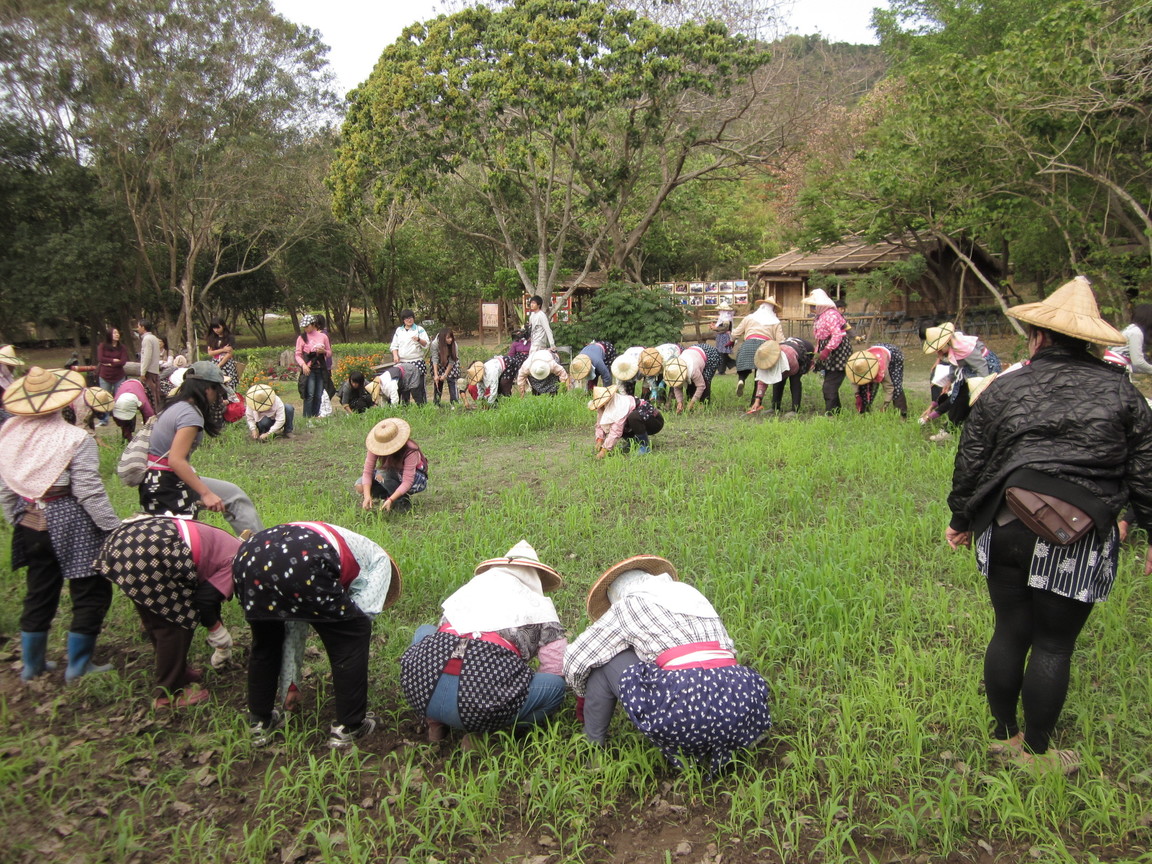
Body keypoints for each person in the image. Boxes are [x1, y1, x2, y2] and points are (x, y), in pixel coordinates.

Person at [945, 276, 1152, 775]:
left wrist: (960, 517)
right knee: (1054, 643)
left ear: (1038, 335)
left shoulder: (1006, 385)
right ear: (1091, 341)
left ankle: (1003, 735)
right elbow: (1144, 470)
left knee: (1009, 630)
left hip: (1006, 519)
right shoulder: (1122, 394)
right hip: (1078, 532)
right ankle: (1038, 753)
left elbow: (971, 458)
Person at [563, 555, 772, 776]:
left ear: (618, 595)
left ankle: (592, 749)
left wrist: (581, 692)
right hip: (741, 694)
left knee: (603, 659)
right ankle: (737, 736)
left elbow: (576, 660)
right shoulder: (691, 594)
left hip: (685, 704)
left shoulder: (628, 604)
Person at [0, 367, 121, 682]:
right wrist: (112, 528)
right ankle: (79, 665)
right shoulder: (74, 438)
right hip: (70, 520)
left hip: (29, 519)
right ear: (61, 401)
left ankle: (32, 665)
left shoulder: (9, 434)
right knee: (90, 589)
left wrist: (18, 518)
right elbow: (88, 492)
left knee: (39, 590)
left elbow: (6, 489)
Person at [233, 521, 401, 748]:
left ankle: (259, 722)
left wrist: (291, 684)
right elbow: (363, 612)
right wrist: (347, 633)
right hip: (306, 558)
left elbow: (294, 617)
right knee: (353, 633)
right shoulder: (379, 561)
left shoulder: (343, 539)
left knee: (266, 640)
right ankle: (349, 726)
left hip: (249, 557)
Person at [400, 540, 567, 742]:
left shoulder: (468, 590)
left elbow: (441, 633)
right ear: (536, 578)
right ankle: (486, 731)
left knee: (425, 632)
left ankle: (434, 722)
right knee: (555, 687)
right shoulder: (541, 608)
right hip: (481, 696)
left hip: (420, 691)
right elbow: (554, 666)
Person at [95, 515, 241, 708]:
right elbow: (205, 600)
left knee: (157, 618)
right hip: (150, 550)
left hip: (127, 541)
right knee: (176, 624)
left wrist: (216, 626)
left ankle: (177, 670)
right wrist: (218, 633)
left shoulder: (230, 543)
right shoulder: (237, 561)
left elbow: (210, 595)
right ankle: (168, 693)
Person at [140, 361, 264, 534]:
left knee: (233, 495)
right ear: (207, 389)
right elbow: (176, 460)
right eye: (218, 391)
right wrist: (206, 493)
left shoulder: (177, 406)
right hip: (167, 484)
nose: (218, 397)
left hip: (154, 480)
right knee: (232, 499)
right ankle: (258, 550)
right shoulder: (190, 415)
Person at [356, 418, 428, 513]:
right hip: (388, 475)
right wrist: (367, 496)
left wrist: (391, 499)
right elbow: (367, 472)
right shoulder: (375, 447)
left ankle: (401, 500)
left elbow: (408, 481)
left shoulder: (410, 451)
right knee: (360, 485)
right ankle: (389, 495)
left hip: (415, 479)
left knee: (382, 475)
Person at [802, 288, 851, 414]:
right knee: (830, 383)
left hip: (838, 351)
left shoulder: (831, 315)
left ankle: (831, 414)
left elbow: (838, 335)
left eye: (813, 305)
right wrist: (817, 354)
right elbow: (820, 338)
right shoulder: (819, 316)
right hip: (828, 349)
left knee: (829, 386)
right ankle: (836, 411)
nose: (811, 308)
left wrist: (827, 350)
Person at [732, 297, 784, 399]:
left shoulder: (749, 317)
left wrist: (733, 337)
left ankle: (741, 379)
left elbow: (736, 333)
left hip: (748, 344)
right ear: (773, 309)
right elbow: (781, 340)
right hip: (765, 347)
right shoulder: (775, 321)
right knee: (760, 376)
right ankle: (755, 401)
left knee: (744, 366)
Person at [745, 337, 813, 415]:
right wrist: (757, 400)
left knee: (794, 381)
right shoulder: (763, 360)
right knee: (777, 380)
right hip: (789, 348)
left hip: (801, 352)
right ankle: (775, 407)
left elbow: (793, 371)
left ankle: (795, 409)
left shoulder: (789, 357)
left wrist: (778, 376)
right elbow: (762, 381)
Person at [590, 384, 663, 456]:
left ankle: (644, 445)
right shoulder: (602, 407)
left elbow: (616, 431)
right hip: (641, 423)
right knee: (623, 423)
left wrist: (604, 450)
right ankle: (633, 442)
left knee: (632, 417)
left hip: (654, 421)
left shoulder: (619, 405)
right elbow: (600, 423)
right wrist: (599, 439)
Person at [845, 344, 908, 418]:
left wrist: (885, 405)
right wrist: (857, 395)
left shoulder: (882, 369)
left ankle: (901, 414)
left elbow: (889, 388)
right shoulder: (857, 364)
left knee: (895, 385)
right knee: (864, 386)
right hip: (875, 351)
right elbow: (854, 381)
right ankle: (864, 411)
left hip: (892, 355)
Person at [664, 343, 721, 413]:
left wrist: (692, 402)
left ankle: (704, 404)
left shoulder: (693, 370)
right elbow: (676, 387)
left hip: (708, 354)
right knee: (690, 386)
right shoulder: (675, 369)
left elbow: (701, 386)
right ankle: (690, 402)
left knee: (705, 380)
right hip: (693, 352)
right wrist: (680, 402)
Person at [295, 314, 331, 418]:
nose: (306, 329)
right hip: (309, 369)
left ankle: (315, 415)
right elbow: (297, 355)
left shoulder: (323, 336)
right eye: (304, 327)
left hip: (320, 368)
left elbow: (329, 353)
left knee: (318, 393)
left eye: (307, 326)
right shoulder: (301, 338)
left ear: (313, 324)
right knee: (309, 393)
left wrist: (323, 351)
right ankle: (307, 416)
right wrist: (303, 365)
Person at [390, 310, 429, 404]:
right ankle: (405, 405)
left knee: (418, 386)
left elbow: (426, 344)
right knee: (404, 386)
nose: (409, 320)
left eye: (411, 317)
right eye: (407, 318)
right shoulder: (399, 330)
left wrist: (419, 339)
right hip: (403, 362)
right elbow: (394, 345)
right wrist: (395, 355)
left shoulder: (419, 329)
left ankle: (422, 406)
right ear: (403, 320)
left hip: (416, 361)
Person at [96, 327, 129, 424]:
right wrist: (113, 360)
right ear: (109, 335)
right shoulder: (102, 346)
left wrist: (110, 363)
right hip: (105, 376)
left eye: (118, 333)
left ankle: (120, 418)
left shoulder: (122, 347)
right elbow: (101, 358)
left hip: (119, 376)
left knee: (119, 397)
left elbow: (123, 361)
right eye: (115, 333)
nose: (117, 334)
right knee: (104, 397)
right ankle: (104, 419)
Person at [1112, 303, 1152, 375]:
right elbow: (1138, 362)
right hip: (1115, 369)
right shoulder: (1136, 333)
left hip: (1115, 367)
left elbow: (1133, 365)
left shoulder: (1131, 329)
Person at [429, 329, 461, 406]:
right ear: (443, 338)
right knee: (438, 382)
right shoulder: (435, 344)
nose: (450, 339)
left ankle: (454, 403)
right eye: (448, 338)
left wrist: (445, 375)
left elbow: (452, 361)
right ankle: (436, 403)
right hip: (439, 363)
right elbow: (435, 358)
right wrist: (436, 375)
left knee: (452, 380)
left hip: (451, 363)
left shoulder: (454, 345)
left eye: (451, 337)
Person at [205, 318, 238, 387]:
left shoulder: (230, 337)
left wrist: (219, 365)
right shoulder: (211, 338)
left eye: (218, 328)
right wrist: (223, 350)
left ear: (223, 326)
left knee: (228, 384)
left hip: (227, 364)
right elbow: (210, 353)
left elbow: (229, 353)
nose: (216, 330)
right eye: (214, 328)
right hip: (215, 362)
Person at [137, 319, 162, 408]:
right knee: (156, 393)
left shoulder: (147, 339)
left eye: (139, 326)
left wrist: (143, 372)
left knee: (150, 394)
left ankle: (152, 413)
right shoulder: (154, 338)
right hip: (155, 369)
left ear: (143, 327)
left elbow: (147, 357)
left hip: (149, 370)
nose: (138, 328)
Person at [711, 302, 736, 372]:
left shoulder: (726, 319)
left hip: (724, 337)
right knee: (722, 354)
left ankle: (721, 370)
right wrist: (714, 327)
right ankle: (733, 364)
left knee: (722, 354)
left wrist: (715, 328)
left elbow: (725, 328)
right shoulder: (723, 318)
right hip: (721, 337)